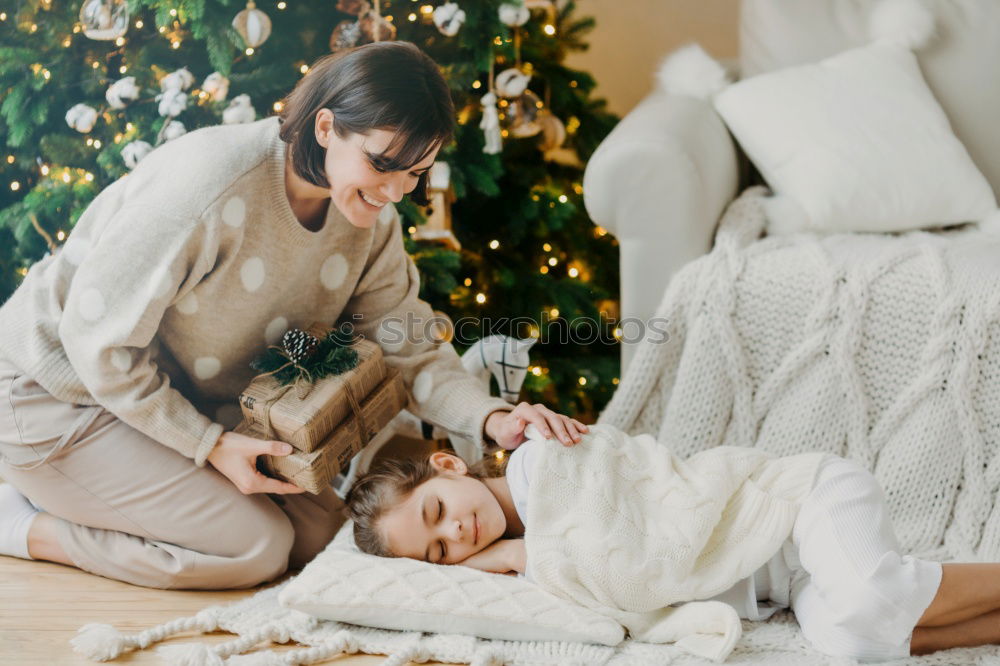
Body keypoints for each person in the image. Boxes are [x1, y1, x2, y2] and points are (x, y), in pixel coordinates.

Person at [0, 40, 588, 590]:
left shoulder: (368, 220)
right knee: (257, 548)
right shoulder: (206, 186)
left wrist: (491, 419)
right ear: (326, 126)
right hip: (56, 392)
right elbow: (97, 346)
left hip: (172, 401)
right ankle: (24, 524)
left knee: (322, 541)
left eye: (415, 173)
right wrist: (207, 444)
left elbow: (407, 345)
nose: (396, 192)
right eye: (384, 164)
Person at [347, 422, 1000, 662]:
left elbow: (638, 561)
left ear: (449, 467)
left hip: (797, 505)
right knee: (855, 639)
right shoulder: (534, 567)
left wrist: (521, 555)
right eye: (438, 550)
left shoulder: (541, 462)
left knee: (870, 596)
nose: (456, 532)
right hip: (786, 583)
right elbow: (626, 616)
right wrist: (521, 562)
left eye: (437, 512)